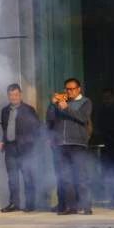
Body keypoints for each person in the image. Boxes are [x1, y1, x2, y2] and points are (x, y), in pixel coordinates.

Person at [46, 77, 93, 215]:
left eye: (72, 89)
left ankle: (85, 206)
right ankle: (70, 206)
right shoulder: (61, 102)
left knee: (81, 176)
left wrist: (66, 108)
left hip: (77, 143)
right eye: (67, 89)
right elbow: (50, 119)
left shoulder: (85, 102)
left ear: (79, 89)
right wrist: (52, 104)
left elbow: (83, 117)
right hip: (61, 143)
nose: (70, 91)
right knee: (65, 177)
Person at [0, 84, 40, 212]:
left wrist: (30, 143)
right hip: (10, 148)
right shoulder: (5, 111)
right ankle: (14, 204)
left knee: (28, 177)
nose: (13, 97)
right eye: (11, 95)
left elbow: (36, 129)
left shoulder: (29, 110)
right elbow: (5, 128)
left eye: (16, 94)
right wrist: (3, 140)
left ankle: (30, 204)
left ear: (20, 95)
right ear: (8, 96)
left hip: (25, 149)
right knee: (12, 178)